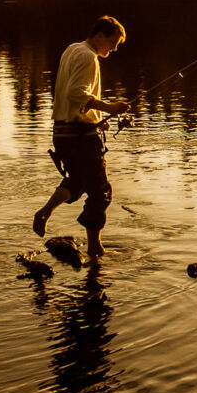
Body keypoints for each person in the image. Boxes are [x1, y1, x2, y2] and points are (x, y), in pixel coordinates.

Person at [33, 16, 130, 257]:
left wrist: (96, 119)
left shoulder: (72, 49)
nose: (114, 48)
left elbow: (72, 95)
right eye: (112, 41)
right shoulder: (88, 56)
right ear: (99, 35)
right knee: (100, 190)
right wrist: (109, 108)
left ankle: (45, 211)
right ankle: (95, 248)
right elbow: (76, 92)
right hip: (80, 137)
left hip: (63, 132)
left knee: (77, 180)